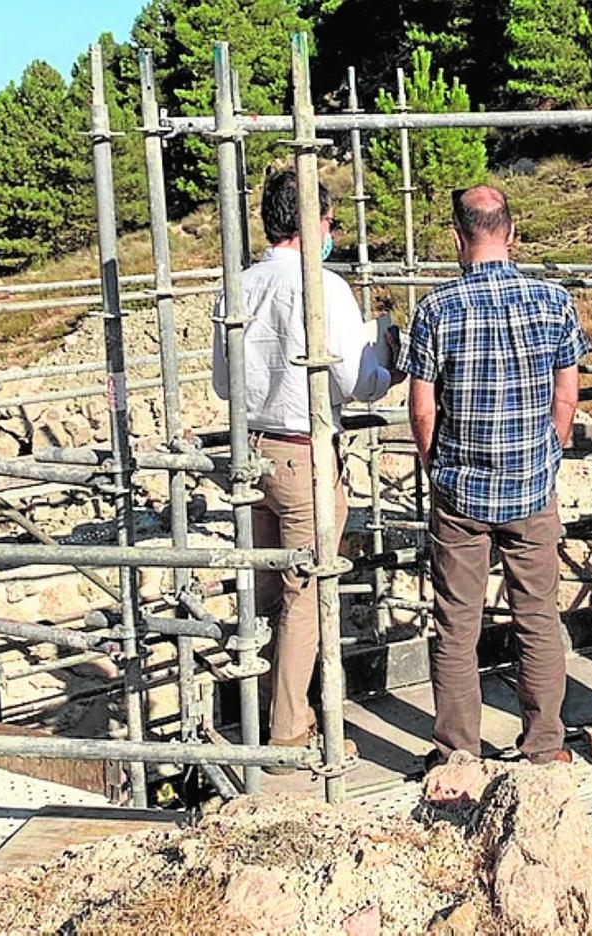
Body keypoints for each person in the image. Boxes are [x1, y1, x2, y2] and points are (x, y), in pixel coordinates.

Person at [212, 170, 403, 768]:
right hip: (304, 452)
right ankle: (289, 727)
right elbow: (355, 379)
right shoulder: (324, 287)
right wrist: (389, 368)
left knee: (268, 589)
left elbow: (224, 383)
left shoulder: (237, 286)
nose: (332, 231)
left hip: (251, 452)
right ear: (311, 223)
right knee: (307, 593)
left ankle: (264, 706)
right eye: (329, 221)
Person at [401, 185, 585, 768]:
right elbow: (566, 395)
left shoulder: (436, 309)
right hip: (532, 486)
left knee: (457, 626)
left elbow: (422, 408)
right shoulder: (554, 301)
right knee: (538, 618)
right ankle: (544, 745)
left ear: (458, 238)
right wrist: (548, 454)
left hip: (461, 490)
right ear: (512, 234)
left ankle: (458, 752)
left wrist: (437, 467)